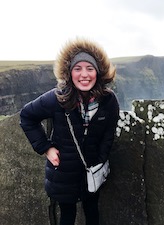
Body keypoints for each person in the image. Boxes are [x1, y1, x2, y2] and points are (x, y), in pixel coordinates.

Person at [20, 37, 120, 225]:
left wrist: (100, 160)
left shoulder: (109, 101)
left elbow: (108, 134)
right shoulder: (58, 98)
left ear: (98, 72)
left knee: (92, 211)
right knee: (67, 215)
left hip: (92, 169)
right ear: (69, 72)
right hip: (63, 172)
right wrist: (46, 148)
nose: (84, 75)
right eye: (78, 69)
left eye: (90, 69)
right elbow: (27, 116)